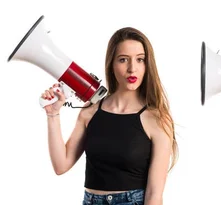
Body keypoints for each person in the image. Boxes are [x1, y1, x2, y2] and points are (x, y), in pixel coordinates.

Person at [40, 27, 178, 205]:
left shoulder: (157, 119)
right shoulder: (90, 112)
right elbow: (61, 165)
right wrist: (53, 114)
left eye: (140, 60)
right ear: (111, 64)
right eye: (123, 60)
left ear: (147, 64)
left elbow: (154, 195)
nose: (132, 68)